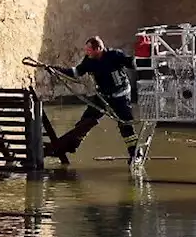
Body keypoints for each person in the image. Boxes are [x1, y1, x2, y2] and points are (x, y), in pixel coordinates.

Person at [50, 36, 141, 164]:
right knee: (86, 121)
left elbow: (132, 63)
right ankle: (70, 146)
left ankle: (135, 153)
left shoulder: (114, 55)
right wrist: (55, 69)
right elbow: (76, 72)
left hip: (120, 96)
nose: (87, 53)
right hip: (103, 97)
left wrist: (146, 61)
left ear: (98, 48)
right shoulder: (89, 60)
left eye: (89, 50)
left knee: (126, 125)